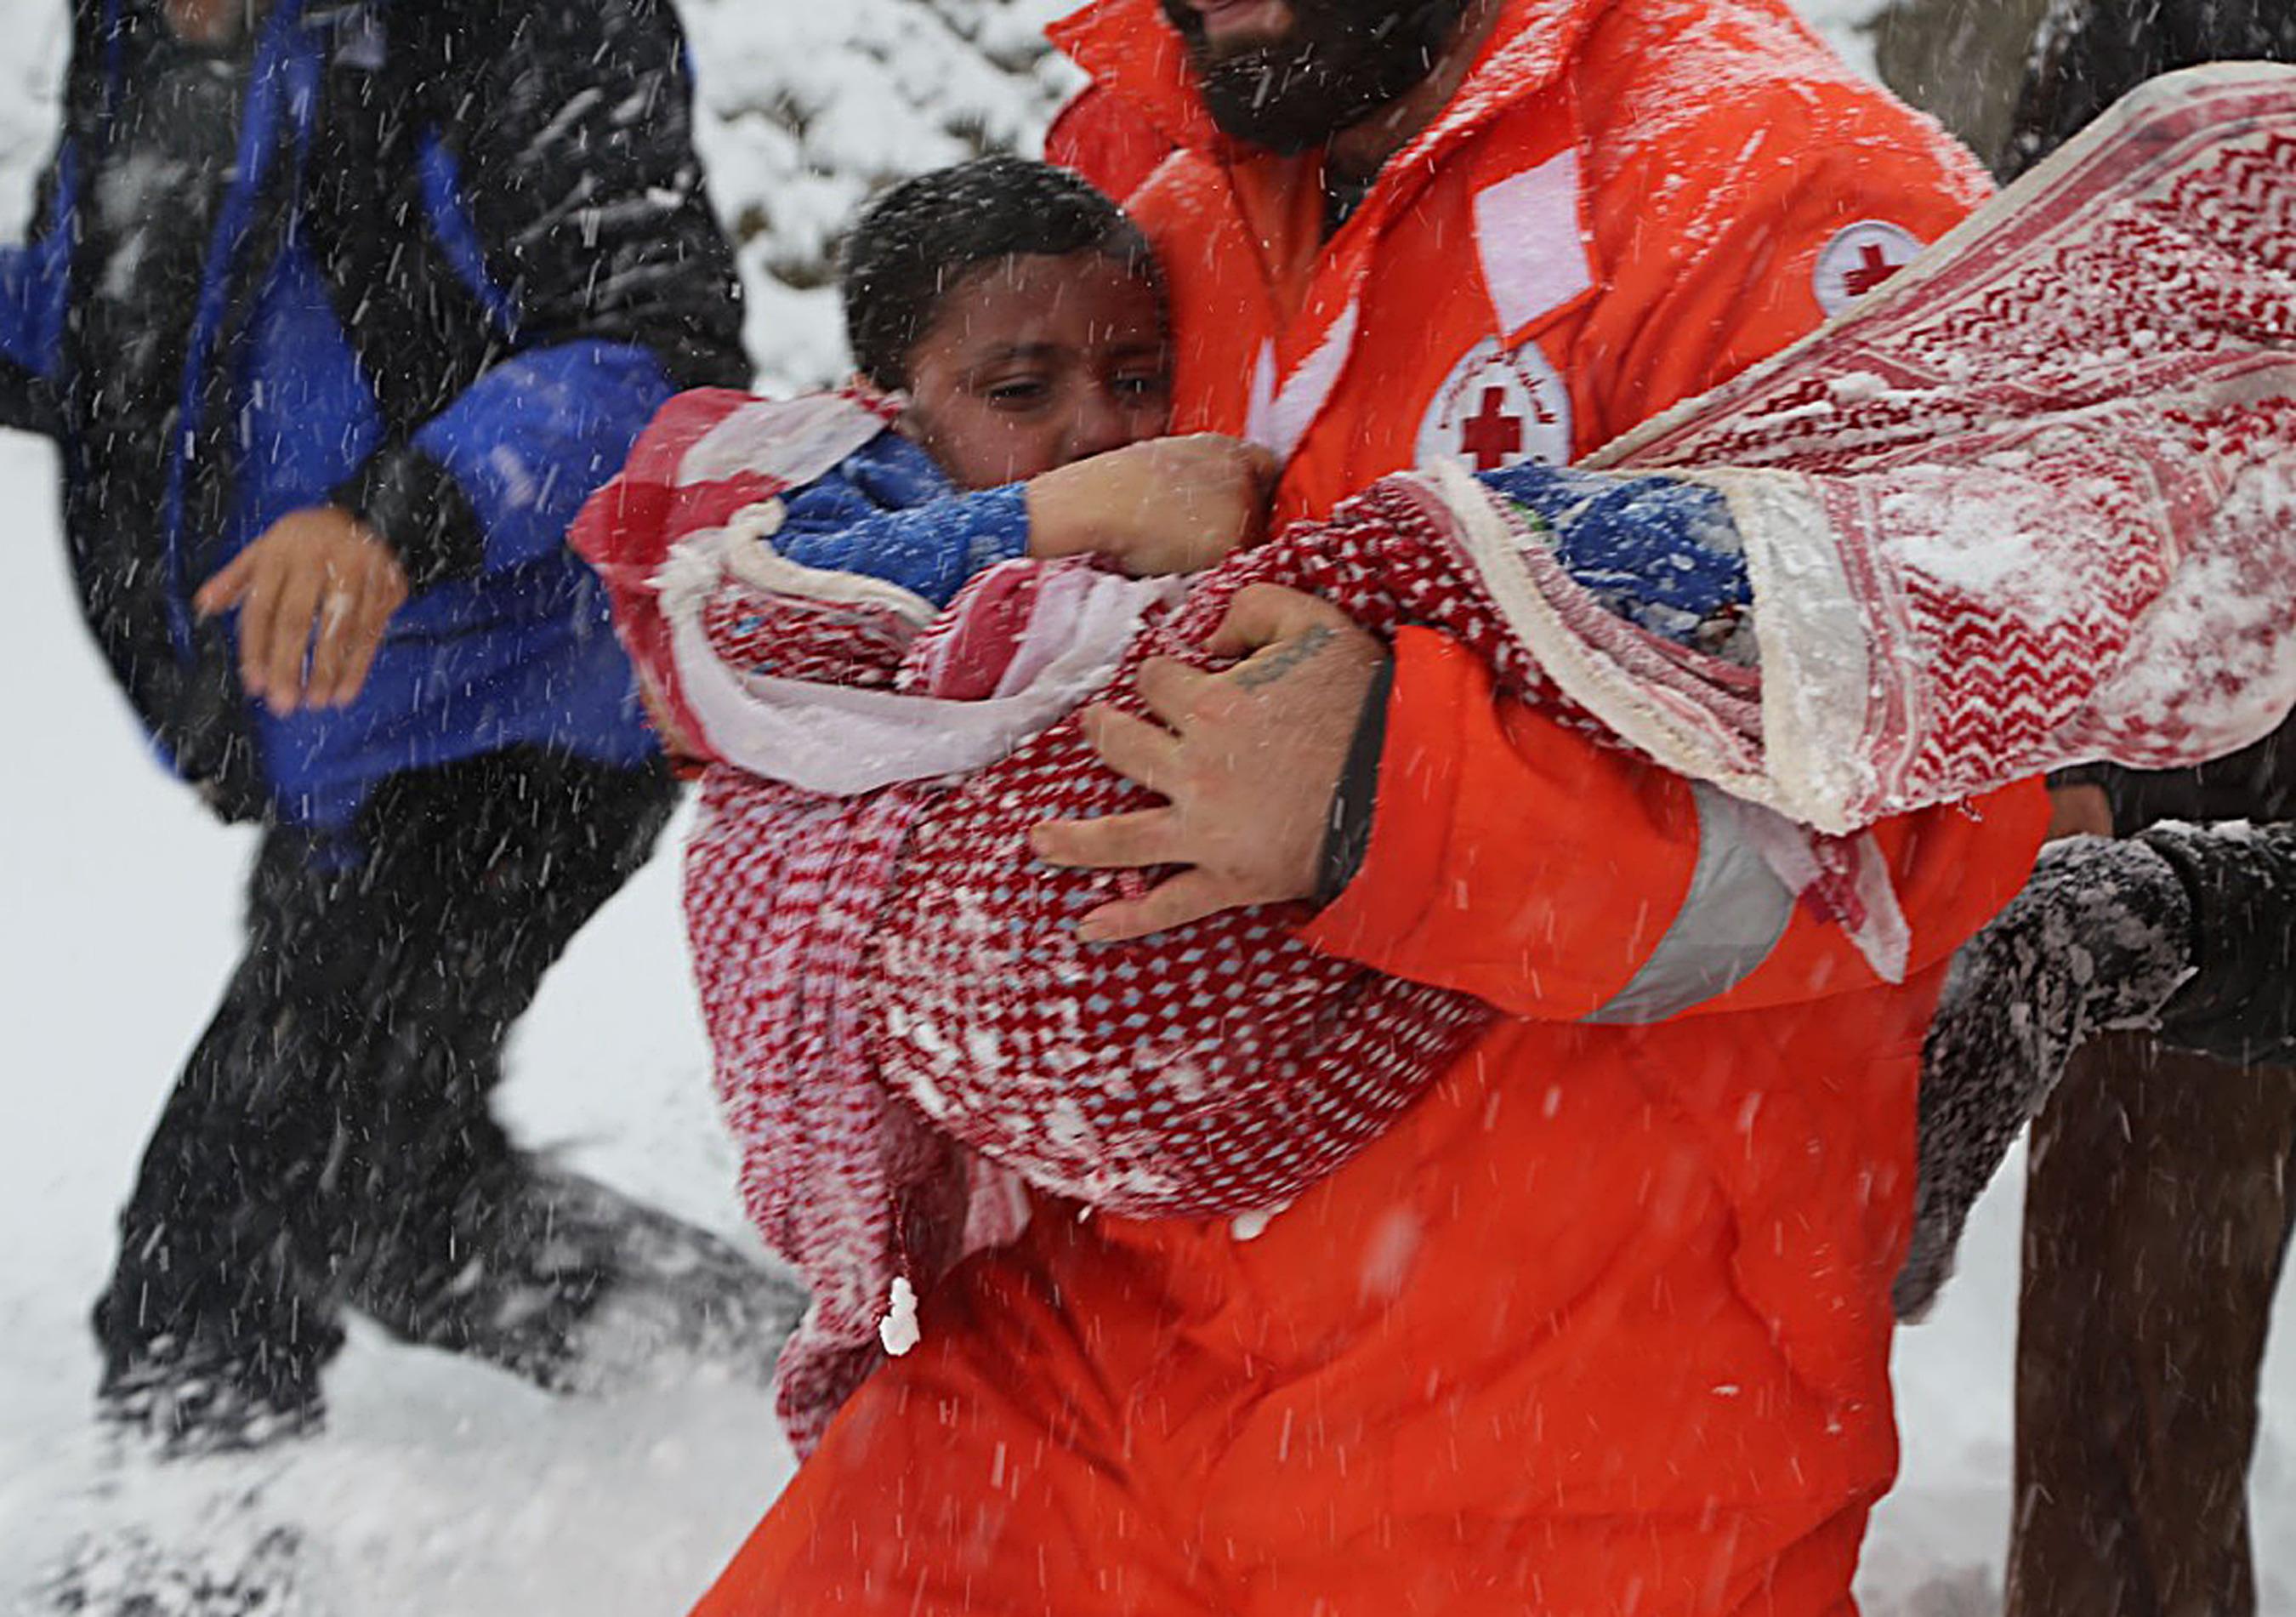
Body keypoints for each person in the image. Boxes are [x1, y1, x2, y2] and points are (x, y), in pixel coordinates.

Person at [683, 0, 2066, 1610]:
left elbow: (1946, 804)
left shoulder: (1771, 174)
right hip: (1071, 1391)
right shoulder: (1165, 225)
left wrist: (1382, 802)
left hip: (1559, 1470)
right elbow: (816, 586)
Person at [0, 0, 780, 1454]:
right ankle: (794, 1394)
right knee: (390, 1202)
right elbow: (111, 329)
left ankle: (184, 1551)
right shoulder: (142, 38)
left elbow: (651, 346)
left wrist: (400, 516)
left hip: (533, 713)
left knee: (231, 1211)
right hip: (336, 731)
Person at [1989, 3, 2296, 1609]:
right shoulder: (2136, 27)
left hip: (2243, 840)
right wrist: (2067, 766)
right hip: (2156, 815)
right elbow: (2025, 392)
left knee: (2168, 1375)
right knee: (2117, 1365)